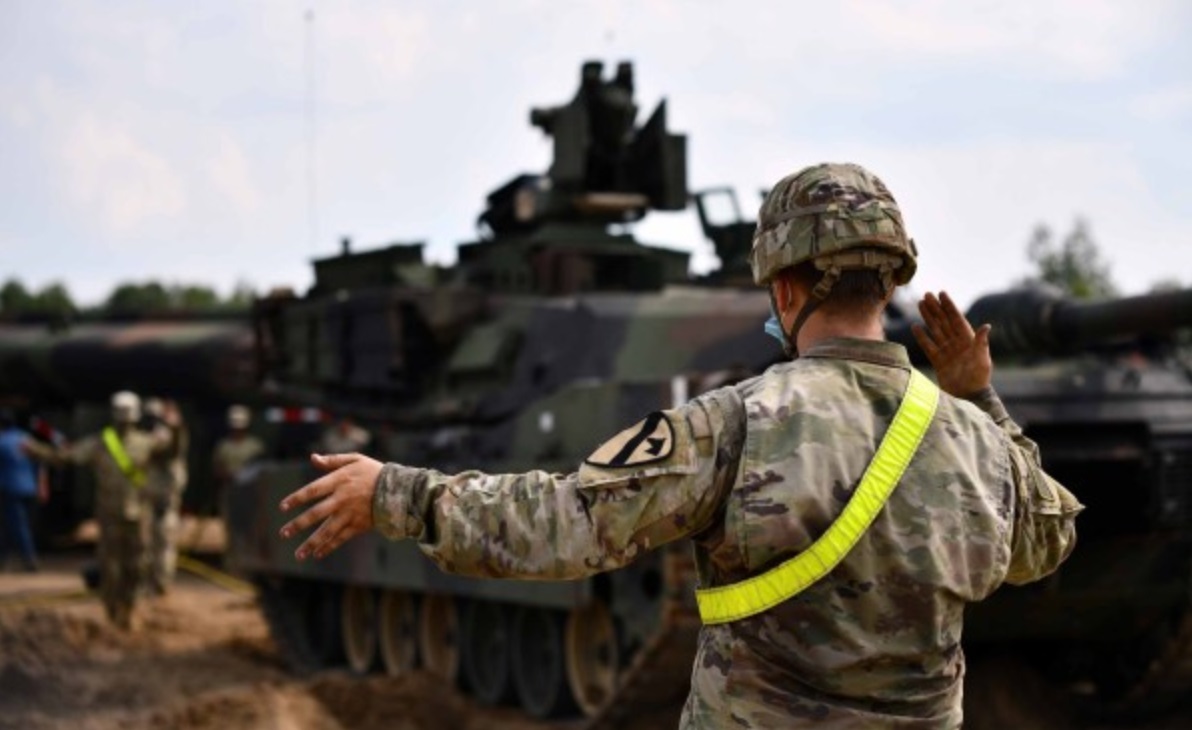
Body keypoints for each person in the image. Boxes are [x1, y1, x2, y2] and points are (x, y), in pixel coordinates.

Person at [277, 163, 1083, 728]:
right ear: (892, 283)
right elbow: (1047, 540)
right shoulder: (972, 439)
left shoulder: (734, 423)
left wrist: (399, 493)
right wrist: (979, 398)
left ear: (785, 289)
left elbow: (563, 527)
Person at [25, 391, 182, 629]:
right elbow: (67, 456)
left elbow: (172, 452)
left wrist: (177, 430)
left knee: (137, 566)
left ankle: (129, 608)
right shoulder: (100, 443)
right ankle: (114, 613)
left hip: (139, 514)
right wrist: (37, 450)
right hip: (109, 515)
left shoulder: (145, 442)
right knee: (111, 568)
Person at [142, 397, 189, 594]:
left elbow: (173, 448)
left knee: (163, 542)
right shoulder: (145, 436)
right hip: (147, 498)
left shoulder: (167, 436)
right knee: (145, 543)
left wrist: (175, 428)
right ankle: (148, 583)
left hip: (165, 499)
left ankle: (161, 584)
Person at [0, 409, 48, 572]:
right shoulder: (26, 439)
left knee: (19, 526)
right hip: (29, 488)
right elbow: (40, 464)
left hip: (10, 489)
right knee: (10, 525)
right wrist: (42, 486)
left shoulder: (2, 441)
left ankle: (30, 559)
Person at [211, 404, 264, 517]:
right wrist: (232, 476)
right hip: (229, 489)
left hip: (250, 491)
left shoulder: (255, 446)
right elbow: (217, 469)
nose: (237, 430)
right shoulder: (223, 446)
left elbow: (261, 470)